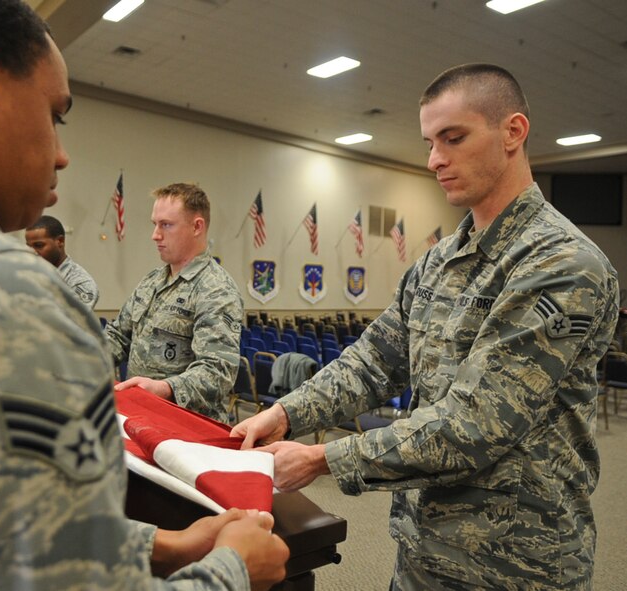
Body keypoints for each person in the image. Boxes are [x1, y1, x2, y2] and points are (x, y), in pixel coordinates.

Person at [0, 1, 288, 590]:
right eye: (55, 115)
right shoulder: (4, 296)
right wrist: (233, 570)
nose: (62, 153)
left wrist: (158, 546)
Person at [232, 63, 619, 590]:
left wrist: (324, 457)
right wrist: (284, 413)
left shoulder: (562, 262)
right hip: (425, 549)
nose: (435, 159)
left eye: (453, 138)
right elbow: (374, 361)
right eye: (430, 142)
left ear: (513, 132)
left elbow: (478, 423)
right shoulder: (440, 260)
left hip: (517, 566)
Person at [105, 183, 243, 423]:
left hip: (188, 429)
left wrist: (165, 388)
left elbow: (217, 372)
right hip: (142, 416)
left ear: (197, 226)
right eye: (155, 224)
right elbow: (118, 336)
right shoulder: (152, 280)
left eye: (166, 225)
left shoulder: (216, 289)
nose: (155, 235)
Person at [26, 214, 100, 310]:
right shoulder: (29, 273)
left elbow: (71, 322)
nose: (32, 251)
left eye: (39, 245)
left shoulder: (80, 283)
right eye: (28, 246)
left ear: (60, 241)